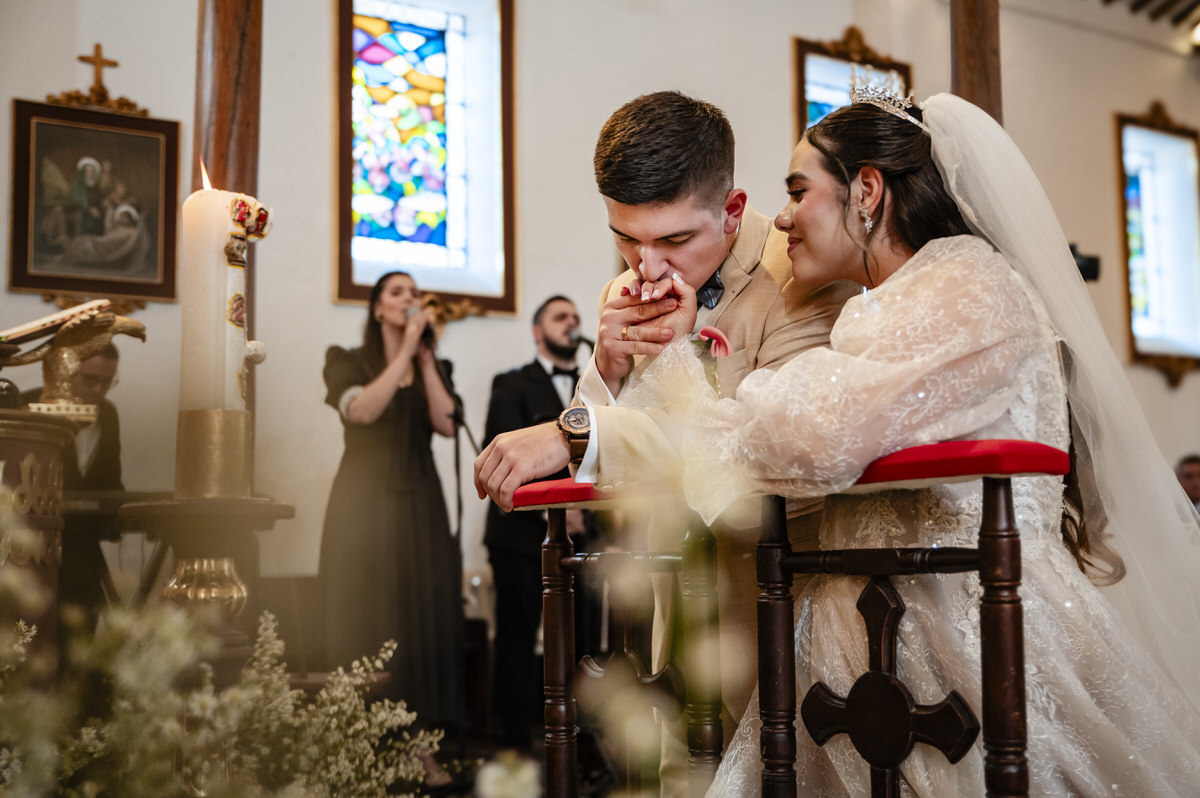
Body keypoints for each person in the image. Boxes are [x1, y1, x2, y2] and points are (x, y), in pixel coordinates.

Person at [609, 90, 1200, 795]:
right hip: (865, 660)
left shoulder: (971, 286)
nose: (786, 217)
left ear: (866, 191)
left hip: (969, 649)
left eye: (799, 190)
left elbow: (808, 438)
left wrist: (683, 366)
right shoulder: (895, 301)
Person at [475, 90, 856, 793]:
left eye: (674, 241)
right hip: (674, 596)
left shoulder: (804, 274)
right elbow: (608, 446)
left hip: (783, 593)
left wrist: (569, 430)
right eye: (625, 237)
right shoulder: (631, 284)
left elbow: (763, 452)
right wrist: (606, 369)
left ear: (733, 210)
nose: (645, 268)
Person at [318, 271, 464, 751]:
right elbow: (361, 411)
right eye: (398, 293)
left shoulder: (430, 365)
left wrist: (423, 357)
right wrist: (401, 351)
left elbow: (447, 424)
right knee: (366, 610)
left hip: (421, 501)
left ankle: (419, 747)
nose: (410, 300)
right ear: (378, 308)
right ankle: (360, 746)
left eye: (416, 293)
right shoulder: (346, 361)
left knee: (420, 616)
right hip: (363, 504)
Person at [482, 294, 588, 750]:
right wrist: (559, 507)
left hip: (585, 536)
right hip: (518, 537)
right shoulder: (511, 384)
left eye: (575, 317)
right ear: (537, 332)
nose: (571, 323)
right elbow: (507, 459)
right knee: (517, 636)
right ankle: (513, 743)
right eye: (559, 317)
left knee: (582, 636)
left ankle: (580, 737)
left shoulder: (592, 389)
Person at [22, 344, 125, 632]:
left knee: (85, 621)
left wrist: (121, 514)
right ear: (66, 373)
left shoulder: (107, 413)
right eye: (90, 379)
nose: (98, 389)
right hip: (35, 542)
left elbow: (110, 479)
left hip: (83, 539)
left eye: (107, 381)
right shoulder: (29, 404)